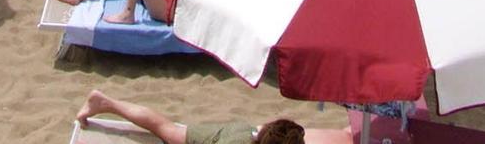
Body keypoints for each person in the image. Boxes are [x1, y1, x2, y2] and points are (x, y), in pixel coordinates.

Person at [74, 90, 350, 144]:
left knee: (167, 129)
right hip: (227, 140)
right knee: (167, 132)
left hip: (240, 132)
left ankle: (105, 101)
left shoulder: (254, 135)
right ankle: (104, 101)